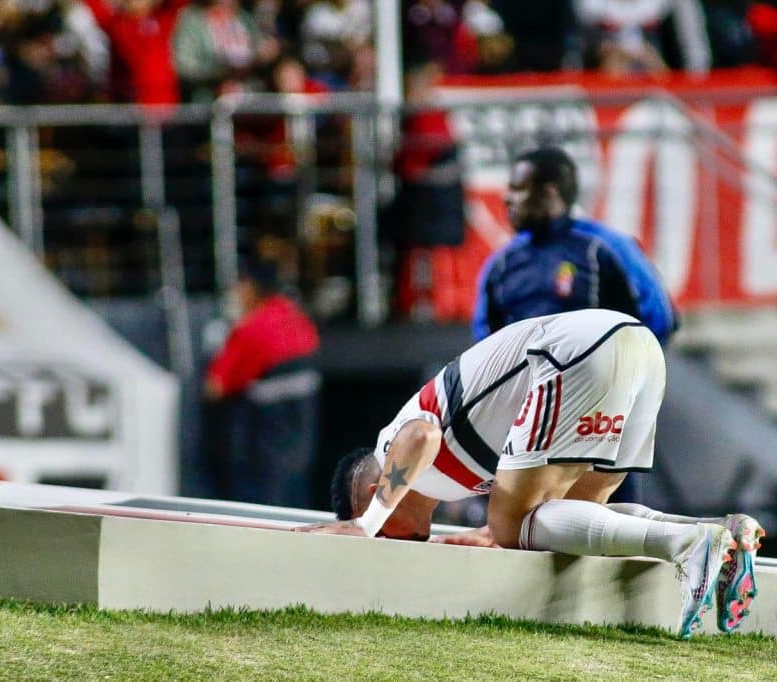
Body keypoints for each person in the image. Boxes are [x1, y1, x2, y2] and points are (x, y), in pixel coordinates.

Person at [297, 309, 764, 638]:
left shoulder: (391, 444)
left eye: (381, 535)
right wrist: (495, 529)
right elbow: (548, 505)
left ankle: (687, 548)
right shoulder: (447, 484)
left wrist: (366, 523)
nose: (384, 543)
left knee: (512, 524)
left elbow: (421, 438)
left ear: (374, 490)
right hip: (638, 350)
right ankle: (713, 532)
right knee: (568, 518)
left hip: (574, 354)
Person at [474, 146, 678, 346]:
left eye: (518, 189)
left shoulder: (610, 248)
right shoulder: (501, 263)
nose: (506, 198)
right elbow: (484, 339)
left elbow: (660, 320)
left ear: (549, 194)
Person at [204, 255, 320, 508]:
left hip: (263, 451)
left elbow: (215, 387)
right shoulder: (299, 320)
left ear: (251, 287)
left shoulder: (250, 328)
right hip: (301, 451)